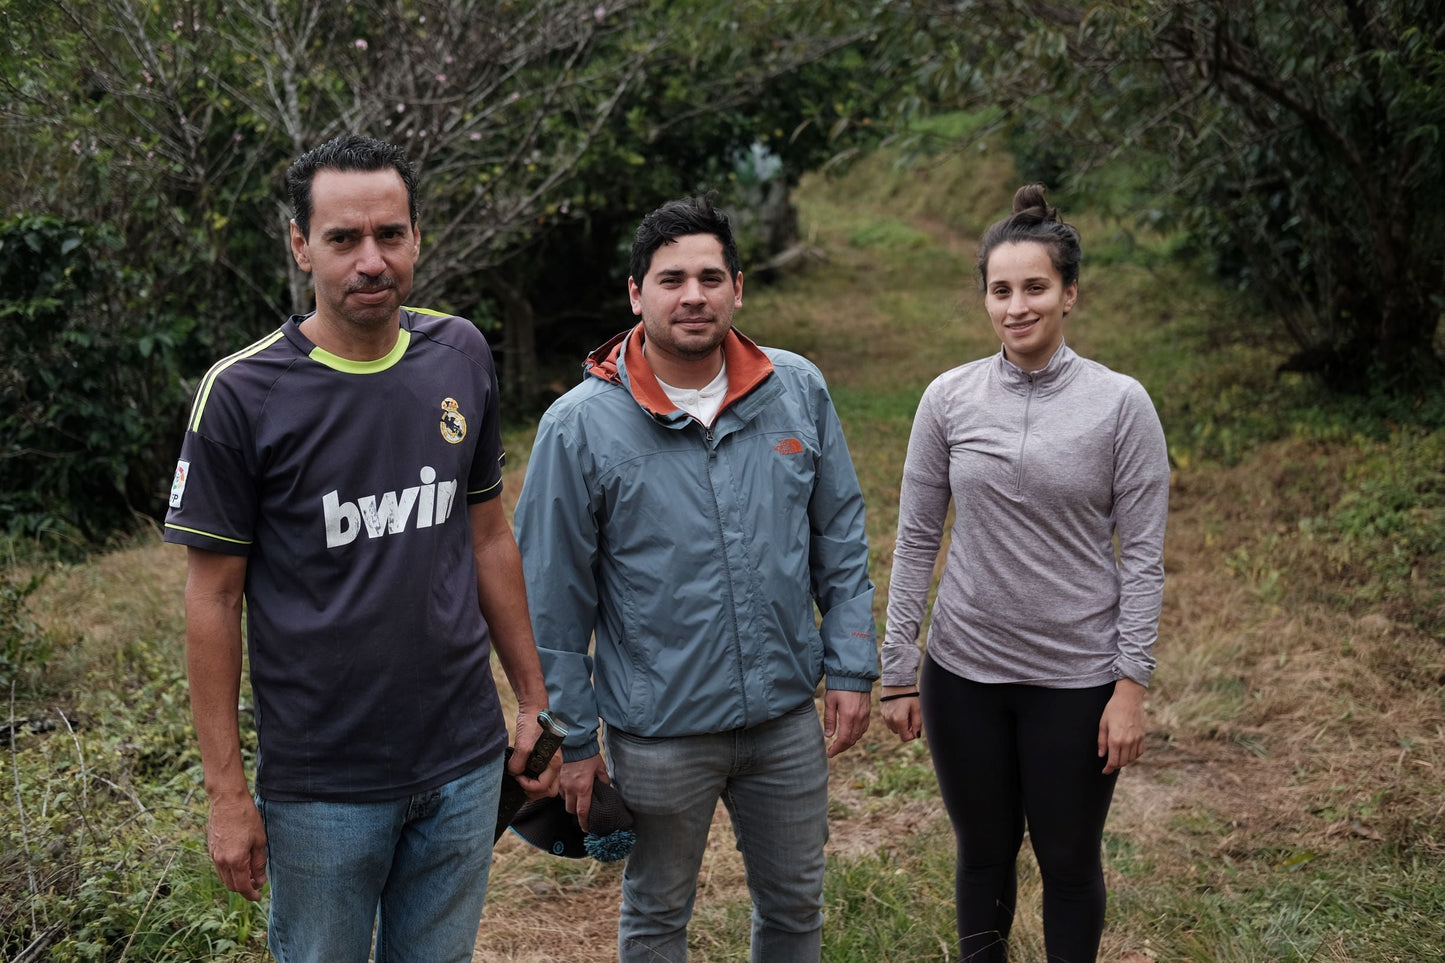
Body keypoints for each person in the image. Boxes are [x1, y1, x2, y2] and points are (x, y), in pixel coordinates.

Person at [162, 133, 558, 963]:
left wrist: (531, 698)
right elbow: (213, 598)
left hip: (463, 761)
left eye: (390, 234)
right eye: (343, 238)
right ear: (300, 245)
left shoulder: (460, 353)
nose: (371, 260)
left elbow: (488, 536)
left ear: (417, 237)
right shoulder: (242, 394)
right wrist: (227, 794)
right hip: (323, 788)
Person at [513, 194, 878, 962]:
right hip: (659, 734)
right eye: (671, 279)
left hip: (784, 720)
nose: (692, 295)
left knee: (795, 906)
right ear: (635, 293)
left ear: (736, 288)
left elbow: (839, 536)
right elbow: (549, 599)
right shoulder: (578, 426)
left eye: (710, 278)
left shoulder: (795, 389)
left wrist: (850, 663)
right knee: (656, 917)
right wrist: (571, 739)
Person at [880, 184, 1170, 962]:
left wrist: (1130, 686)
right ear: (983, 297)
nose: (1016, 307)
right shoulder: (947, 398)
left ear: (1068, 293)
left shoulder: (1120, 405)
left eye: (1034, 287)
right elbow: (916, 536)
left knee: (1068, 860)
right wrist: (898, 668)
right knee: (982, 853)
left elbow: (1143, 556)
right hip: (963, 672)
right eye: (999, 290)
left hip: (1076, 679)